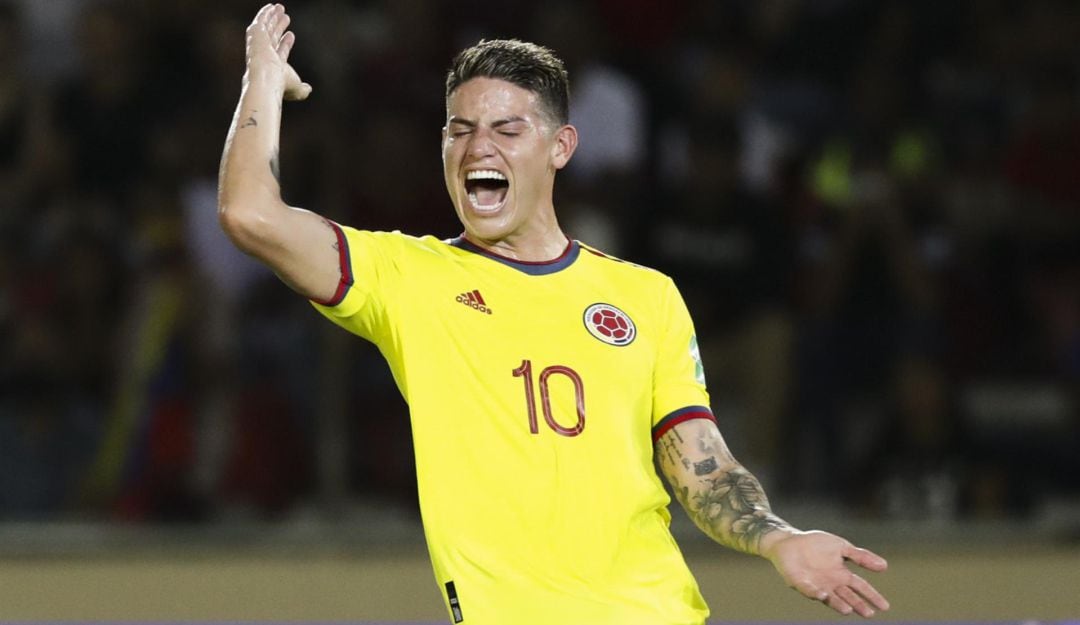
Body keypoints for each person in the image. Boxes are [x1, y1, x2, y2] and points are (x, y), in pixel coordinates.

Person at [218, 5, 891, 623]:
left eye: (508, 128)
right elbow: (249, 213)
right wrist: (262, 84)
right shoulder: (408, 278)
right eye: (461, 130)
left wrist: (778, 538)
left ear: (560, 147)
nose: (480, 147)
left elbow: (700, 463)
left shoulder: (645, 296)